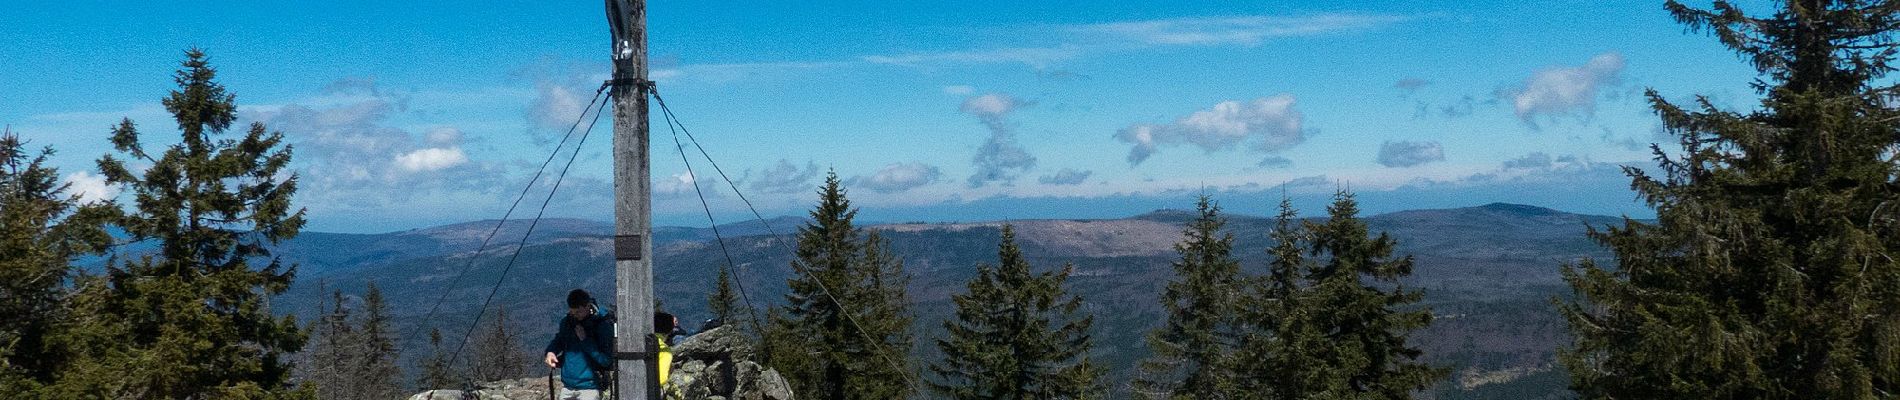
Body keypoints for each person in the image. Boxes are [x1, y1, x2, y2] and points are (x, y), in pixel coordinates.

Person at [545, 289, 614, 400]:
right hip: (568, 386)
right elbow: (559, 340)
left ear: (587, 306)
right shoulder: (567, 322)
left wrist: (585, 340)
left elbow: (605, 360)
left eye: (578, 312)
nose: (575, 315)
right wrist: (551, 352)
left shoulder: (601, 326)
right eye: (572, 312)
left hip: (590, 387)